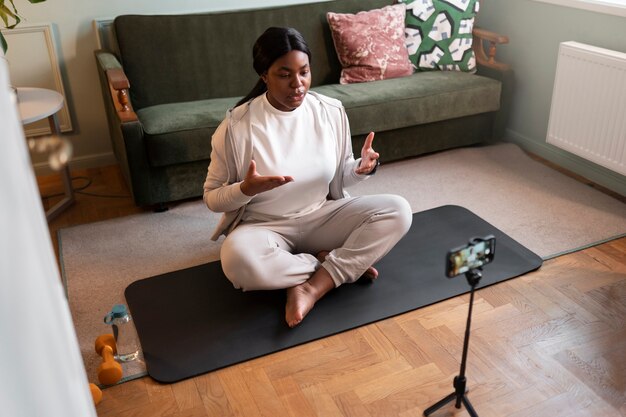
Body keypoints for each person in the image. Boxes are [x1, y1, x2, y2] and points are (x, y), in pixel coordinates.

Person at [203, 27, 412, 328]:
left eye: (304, 72)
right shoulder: (236, 128)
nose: (298, 84)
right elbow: (211, 197)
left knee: (398, 210)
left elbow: (338, 178)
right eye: (284, 74)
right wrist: (245, 189)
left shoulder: (330, 111)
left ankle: (312, 287)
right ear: (264, 75)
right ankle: (337, 264)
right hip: (265, 227)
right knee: (238, 262)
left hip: (321, 215)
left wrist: (359, 169)